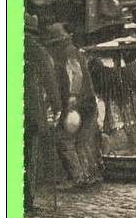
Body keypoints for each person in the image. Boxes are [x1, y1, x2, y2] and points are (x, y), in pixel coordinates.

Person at [42, 23, 102, 186]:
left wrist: (72, 98)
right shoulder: (74, 51)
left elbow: (76, 75)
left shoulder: (67, 53)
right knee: (82, 141)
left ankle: (79, 177)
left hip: (77, 105)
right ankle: (90, 175)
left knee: (65, 140)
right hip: (88, 103)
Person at [24, 13, 61, 209]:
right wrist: (57, 106)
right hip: (30, 112)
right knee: (29, 155)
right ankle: (26, 200)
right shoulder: (38, 51)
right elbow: (50, 81)